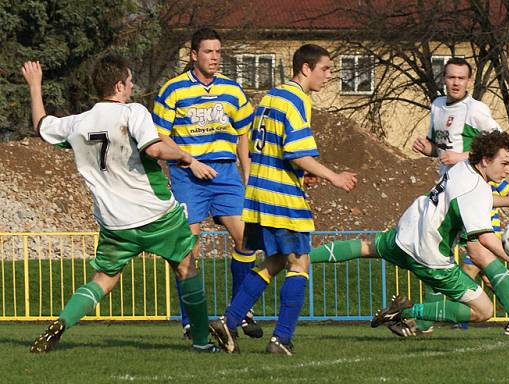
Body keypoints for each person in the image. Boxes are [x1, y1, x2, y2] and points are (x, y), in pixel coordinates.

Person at [22, 56, 218, 353]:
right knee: (186, 266)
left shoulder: (77, 123)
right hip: (156, 215)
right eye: (129, 82)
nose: (131, 87)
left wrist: (35, 85)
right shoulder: (133, 112)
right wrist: (186, 157)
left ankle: (60, 324)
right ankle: (203, 344)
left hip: (115, 223)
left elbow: (41, 125)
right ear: (118, 85)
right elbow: (153, 149)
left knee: (103, 279)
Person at [208, 44, 358, 355]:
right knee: (299, 262)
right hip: (281, 198)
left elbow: (269, 147)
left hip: (259, 194)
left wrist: (303, 174)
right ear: (306, 68)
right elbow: (297, 152)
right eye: (325, 69)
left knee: (275, 260)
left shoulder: (270, 96)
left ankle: (229, 320)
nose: (329, 76)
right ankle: (281, 338)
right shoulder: (296, 101)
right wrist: (333, 176)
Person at [366, 131, 509, 335]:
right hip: (439, 246)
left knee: (366, 249)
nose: (508, 171)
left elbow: (484, 198)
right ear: (486, 160)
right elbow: (485, 236)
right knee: (483, 308)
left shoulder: (466, 168)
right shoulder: (475, 187)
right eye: (505, 163)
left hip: (434, 237)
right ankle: (408, 315)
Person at [407, 57, 509, 335]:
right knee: (450, 253)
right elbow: (441, 149)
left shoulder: (475, 110)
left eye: (461, 78)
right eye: (451, 77)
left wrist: (462, 156)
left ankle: (423, 321)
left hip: (467, 188)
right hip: (447, 187)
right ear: (444, 78)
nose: (455, 82)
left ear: (469, 81)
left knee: (460, 251)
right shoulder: (437, 106)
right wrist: (429, 149)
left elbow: (501, 145)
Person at [152, 28, 261, 339]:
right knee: (188, 249)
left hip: (226, 174)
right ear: (193, 55)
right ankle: (191, 321)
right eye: (209, 52)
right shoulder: (173, 90)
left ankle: (240, 312)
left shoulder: (232, 90)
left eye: (218, 52)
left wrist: (247, 171)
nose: (215, 57)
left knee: (248, 240)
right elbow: (160, 136)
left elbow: (243, 134)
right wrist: (189, 161)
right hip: (188, 174)